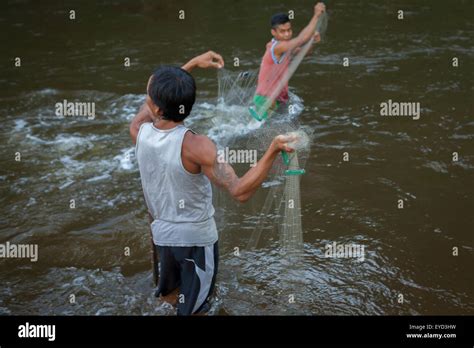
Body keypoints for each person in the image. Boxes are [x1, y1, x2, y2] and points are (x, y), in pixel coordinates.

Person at [129, 51, 296, 315]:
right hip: (194, 241)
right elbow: (240, 191)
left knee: (169, 297)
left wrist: (191, 65)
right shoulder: (198, 147)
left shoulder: (140, 132)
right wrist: (273, 149)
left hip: (161, 234)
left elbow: (153, 103)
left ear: (156, 107)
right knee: (196, 308)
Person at [253, 2, 326, 119]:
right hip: (266, 100)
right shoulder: (278, 47)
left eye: (289, 30)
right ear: (273, 32)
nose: (287, 34)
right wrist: (316, 15)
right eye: (282, 31)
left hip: (277, 98)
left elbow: (305, 52)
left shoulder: (285, 48)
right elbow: (301, 39)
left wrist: (313, 41)